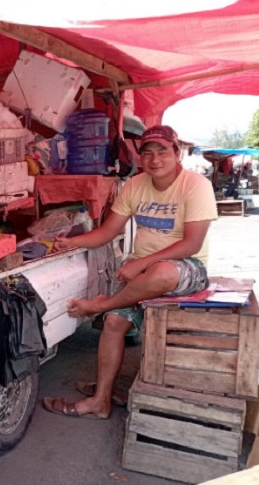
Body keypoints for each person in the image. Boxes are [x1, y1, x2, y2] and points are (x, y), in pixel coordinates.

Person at [42, 125, 218, 419]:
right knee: (113, 322)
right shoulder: (135, 185)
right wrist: (70, 242)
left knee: (160, 273)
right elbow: (108, 232)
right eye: (147, 153)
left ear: (177, 153)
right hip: (143, 273)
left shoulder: (195, 185)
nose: (154, 159)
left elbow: (192, 243)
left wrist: (139, 264)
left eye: (162, 151)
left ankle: (100, 305)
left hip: (187, 269)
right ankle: (100, 401)